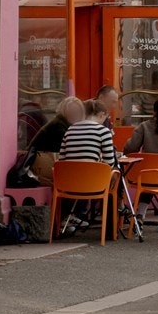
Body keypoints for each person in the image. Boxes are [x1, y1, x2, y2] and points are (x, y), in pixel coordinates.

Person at [59, 98, 117, 236]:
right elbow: (109, 163)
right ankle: (111, 227)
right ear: (101, 115)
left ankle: (70, 218)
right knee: (116, 177)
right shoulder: (103, 131)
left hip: (67, 184)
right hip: (93, 185)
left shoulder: (70, 130)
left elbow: (62, 160)